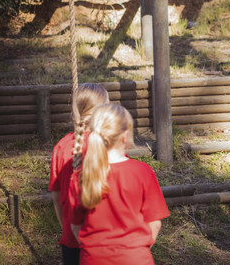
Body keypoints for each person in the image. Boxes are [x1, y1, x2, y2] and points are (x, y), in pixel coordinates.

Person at [68, 104, 169, 265]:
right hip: (135, 258)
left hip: (92, 259)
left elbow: (75, 226)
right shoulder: (143, 172)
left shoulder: (79, 176)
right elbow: (154, 224)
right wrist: (135, 249)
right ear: (125, 136)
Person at [49, 83, 109, 264]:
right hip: (105, 239)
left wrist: (67, 227)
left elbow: (57, 197)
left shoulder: (61, 146)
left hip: (72, 239)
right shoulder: (109, 146)